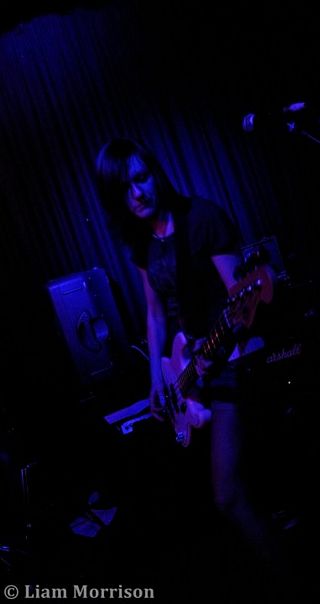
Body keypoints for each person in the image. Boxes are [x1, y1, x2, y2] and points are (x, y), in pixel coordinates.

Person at [95, 137, 284, 593]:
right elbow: (155, 313)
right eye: (124, 188)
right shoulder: (141, 241)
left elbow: (242, 298)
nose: (137, 193)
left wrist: (218, 341)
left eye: (141, 178)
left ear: (156, 173)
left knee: (228, 495)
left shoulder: (202, 218)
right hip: (192, 368)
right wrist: (156, 380)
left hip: (233, 360)